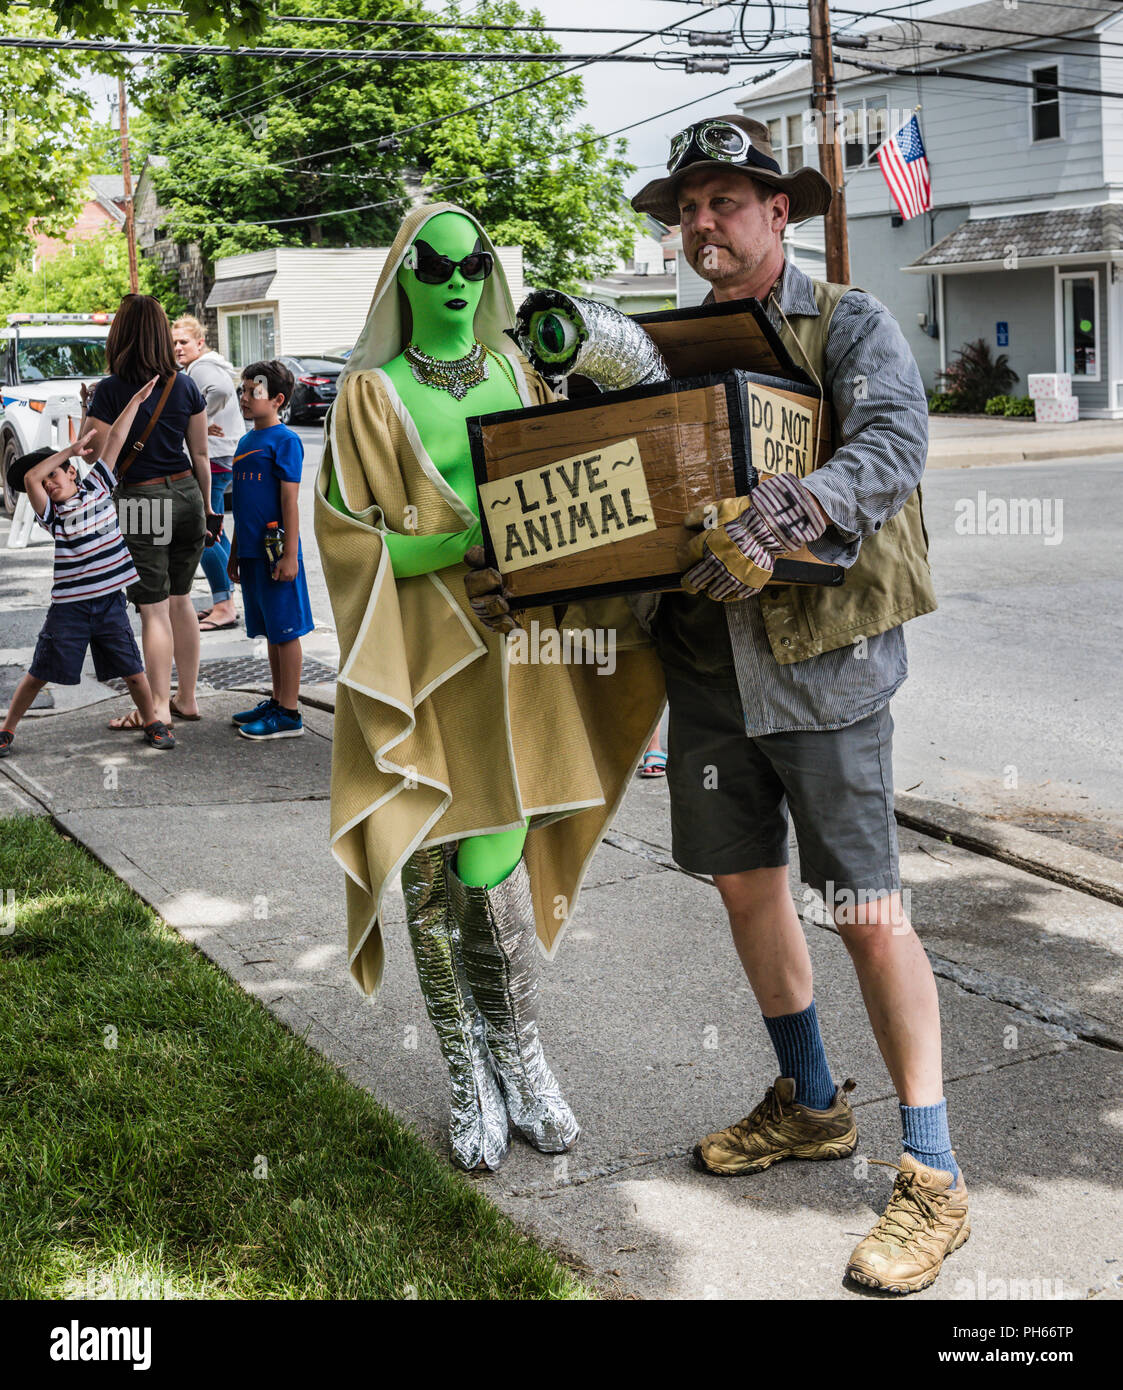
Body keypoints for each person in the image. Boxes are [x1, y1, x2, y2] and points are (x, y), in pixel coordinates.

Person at [627, 116, 961, 1295]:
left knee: (866, 907)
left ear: (781, 213)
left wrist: (790, 510)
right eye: (689, 206)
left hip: (824, 668)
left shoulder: (848, 324)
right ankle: (810, 1102)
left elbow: (893, 443)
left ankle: (933, 1172)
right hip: (709, 675)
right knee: (744, 885)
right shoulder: (659, 348)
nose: (703, 222)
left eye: (726, 200)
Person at [313, 203, 664, 1172]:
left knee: (494, 869)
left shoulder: (519, 372)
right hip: (421, 663)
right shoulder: (367, 397)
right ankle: (466, 1074)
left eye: (474, 263)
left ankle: (524, 1059)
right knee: (430, 874)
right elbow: (349, 542)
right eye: (434, 263)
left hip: (517, 665)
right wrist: (453, 544)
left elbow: (568, 491)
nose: (458, 279)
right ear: (404, 277)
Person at [0, 378, 174, 757]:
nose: (49, 482)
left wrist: (136, 400)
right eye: (47, 481)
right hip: (71, 609)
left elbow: (115, 442)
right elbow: (30, 477)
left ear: (73, 474)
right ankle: (7, 728)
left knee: (133, 671)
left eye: (56, 474)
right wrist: (68, 449)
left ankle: (152, 722)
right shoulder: (53, 515)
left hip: (110, 602)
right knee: (39, 672)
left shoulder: (98, 488)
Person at [82, 293, 218, 728]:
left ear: (120, 333)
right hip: (187, 495)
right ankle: (187, 698)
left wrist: (89, 409)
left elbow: (90, 455)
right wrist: (209, 507)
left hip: (142, 500)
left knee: (153, 607)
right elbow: (200, 454)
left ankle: (158, 707)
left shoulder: (111, 389)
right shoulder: (185, 384)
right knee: (182, 600)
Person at [226, 359, 313, 741]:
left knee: (285, 630)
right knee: (270, 630)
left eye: (253, 392)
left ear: (277, 399)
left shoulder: (286, 441)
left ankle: (290, 713)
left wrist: (290, 555)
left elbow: (289, 502)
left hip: (277, 552)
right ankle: (277, 701)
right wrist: (234, 551)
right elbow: (243, 504)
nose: (244, 398)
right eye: (242, 391)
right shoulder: (246, 442)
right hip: (250, 552)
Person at [171, 315, 242, 632]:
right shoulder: (208, 364)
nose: (177, 348)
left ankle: (224, 606)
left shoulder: (201, 367)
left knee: (202, 534)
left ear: (200, 342)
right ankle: (226, 600)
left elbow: (223, 389)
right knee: (216, 530)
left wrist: (197, 417)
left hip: (213, 458)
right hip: (224, 455)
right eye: (173, 343)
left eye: (183, 342)